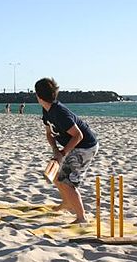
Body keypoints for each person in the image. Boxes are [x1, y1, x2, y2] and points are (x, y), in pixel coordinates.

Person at [35, 78, 99, 223]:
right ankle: (67, 203)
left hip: (85, 146)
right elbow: (49, 133)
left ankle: (81, 218)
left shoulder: (60, 113)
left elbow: (78, 135)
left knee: (67, 182)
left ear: (38, 96)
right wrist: (55, 150)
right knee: (57, 176)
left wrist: (63, 153)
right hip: (73, 145)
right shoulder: (46, 110)